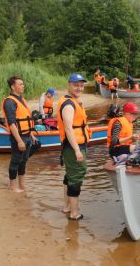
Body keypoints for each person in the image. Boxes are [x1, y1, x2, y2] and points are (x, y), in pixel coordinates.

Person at [57, 73, 90, 221]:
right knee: (77, 175)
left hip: (74, 145)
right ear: (69, 85)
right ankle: (74, 213)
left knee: (70, 175)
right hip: (73, 146)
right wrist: (77, 150)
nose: (79, 88)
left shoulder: (73, 101)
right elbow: (69, 129)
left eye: (81, 85)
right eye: (76, 85)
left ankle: (67, 206)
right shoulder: (69, 104)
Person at [2, 76, 38, 193]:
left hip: (27, 135)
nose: (23, 86)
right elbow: (12, 123)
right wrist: (19, 140)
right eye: (20, 84)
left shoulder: (21, 99)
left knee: (24, 161)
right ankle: (13, 187)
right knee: (16, 160)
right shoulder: (9, 102)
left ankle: (22, 184)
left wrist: (31, 134)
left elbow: (26, 119)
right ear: (13, 86)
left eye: (23, 84)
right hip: (18, 137)